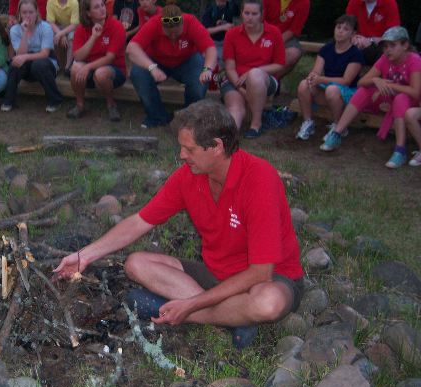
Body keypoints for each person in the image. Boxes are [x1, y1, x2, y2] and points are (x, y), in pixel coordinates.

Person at [54, 100, 304, 349]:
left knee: (268, 303)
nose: (182, 155)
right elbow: (140, 221)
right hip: (216, 273)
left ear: (217, 146)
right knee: (136, 263)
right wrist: (84, 256)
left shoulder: (259, 179)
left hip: (269, 279)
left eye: (190, 149)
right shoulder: (189, 176)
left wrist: (191, 305)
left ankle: (196, 315)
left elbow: (260, 272)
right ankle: (233, 318)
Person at [320, 27, 421, 169]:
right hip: (388, 98)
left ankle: (400, 150)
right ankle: (337, 133)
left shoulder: (414, 60)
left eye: (392, 45)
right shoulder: (384, 59)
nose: (388, 50)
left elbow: (415, 92)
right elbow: (361, 82)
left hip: (410, 103)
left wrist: (388, 84)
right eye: (385, 46)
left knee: (401, 98)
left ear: (405, 45)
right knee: (364, 90)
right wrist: (375, 80)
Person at [127, 0, 217, 129]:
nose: (173, 36)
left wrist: (207, 69)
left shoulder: (191, 22)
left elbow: (210, 48)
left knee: (199, 82)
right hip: (157, 60)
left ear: (182, 23)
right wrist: (151, 67)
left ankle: (190, 118)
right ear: (162, 25)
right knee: (138, 73)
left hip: (187, 60)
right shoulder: (154, 23)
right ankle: (157, 116)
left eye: (177, 32)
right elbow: (131, 48)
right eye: (169, 33)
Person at [221, 0, 285, 138]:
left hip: (264, 80)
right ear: (241, 14)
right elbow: (230, 68)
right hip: (235, 80)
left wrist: (254, 71)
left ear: (262, 14)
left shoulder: (274, 32)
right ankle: (227, 139)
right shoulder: (231, 34)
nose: (250, 17)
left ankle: (256, 124)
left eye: (254, 14)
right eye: (247, 13)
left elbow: (280, 64)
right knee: (235, 108)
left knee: (255, 75)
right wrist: (240, 88)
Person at [295, 14, 363, 141]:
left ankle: (339, 125)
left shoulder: (355, 54)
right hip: (329, 88)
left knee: (332, 90)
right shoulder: (326, 49)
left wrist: (321, 79)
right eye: (338, 27)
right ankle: (308, 122)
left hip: (348, 92)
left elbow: (346, 81)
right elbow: (316, 70)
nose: (340, 31)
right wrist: (312, 76)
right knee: (304, 85)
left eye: (345, 29)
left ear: (353, 33)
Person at [67, 0, 126, 121]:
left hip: (114, 70)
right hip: (90, 71)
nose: (102, 9)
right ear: (88, 13)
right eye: (96, 7)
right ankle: (80, 105)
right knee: (75, 68)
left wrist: (88, 67)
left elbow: (110, 58)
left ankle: (111, 105)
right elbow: (77, 57)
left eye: (102, 5)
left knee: (101, 73)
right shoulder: (81, 28)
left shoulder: (116, 26)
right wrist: (93, 37)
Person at [1, 0, 63, 113]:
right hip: (28, 67)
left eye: (31, 12)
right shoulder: (15, 30)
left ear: (36, 12)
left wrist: (25, 57)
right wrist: (25, 32)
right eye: (24, 12)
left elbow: (45, 54)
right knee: (15, 64)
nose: (28, 16)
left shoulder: (45, 27)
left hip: (47, 64)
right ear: (19, 14)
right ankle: (8, 101)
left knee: (38, 64)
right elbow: (20, 55)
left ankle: (55, 100)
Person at [263, 0, 309, 79]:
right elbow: (258, 22)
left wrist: (273, 44)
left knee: (293, 53)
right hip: (262, 33)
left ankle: (270, 81)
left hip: (286, 38)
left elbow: (293, 30)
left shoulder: (304, 2)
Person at [345, 0, 400, 65]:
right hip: (358, 45)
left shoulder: (389, 3)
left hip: (380, 46)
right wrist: (354, 38)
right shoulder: (354, 2)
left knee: (387, 53)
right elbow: (347, 28)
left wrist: (370, 41)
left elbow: (393, 35)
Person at [46, 0, 79, 72]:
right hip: (58, 27)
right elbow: (50, 22)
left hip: (71, 27)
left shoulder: (74, 2)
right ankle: (56, 65)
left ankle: (67, 67)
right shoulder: (50, 2)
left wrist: (61, 33)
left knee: (71, 38)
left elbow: (74, 25)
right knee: (50, 34)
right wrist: (61, 34)